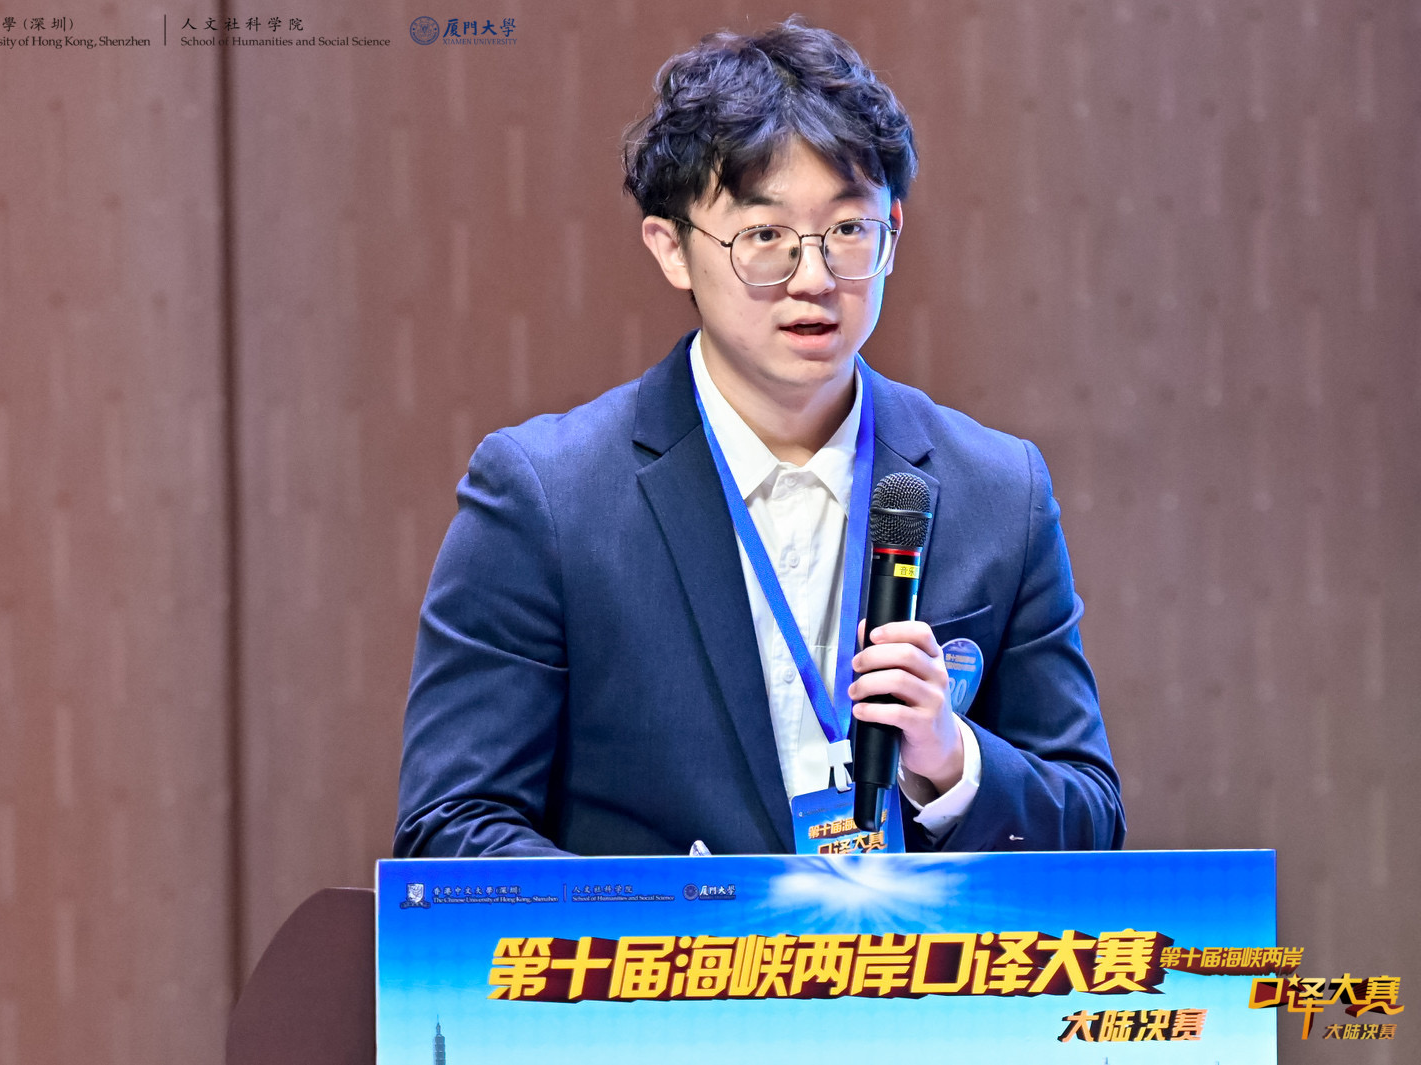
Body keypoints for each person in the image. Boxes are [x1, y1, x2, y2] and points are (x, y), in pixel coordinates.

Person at [393, 18, 1123, 858]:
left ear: (892, 233)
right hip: (664, 949)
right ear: (672, 247)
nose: (814, 277)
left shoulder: (999, 489)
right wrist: (679, 916)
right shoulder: (548, 498)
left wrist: (952, 759)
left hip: (918, 949)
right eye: (765, 236)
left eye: (848, 230)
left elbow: (1091, 820)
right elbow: (451, 830)